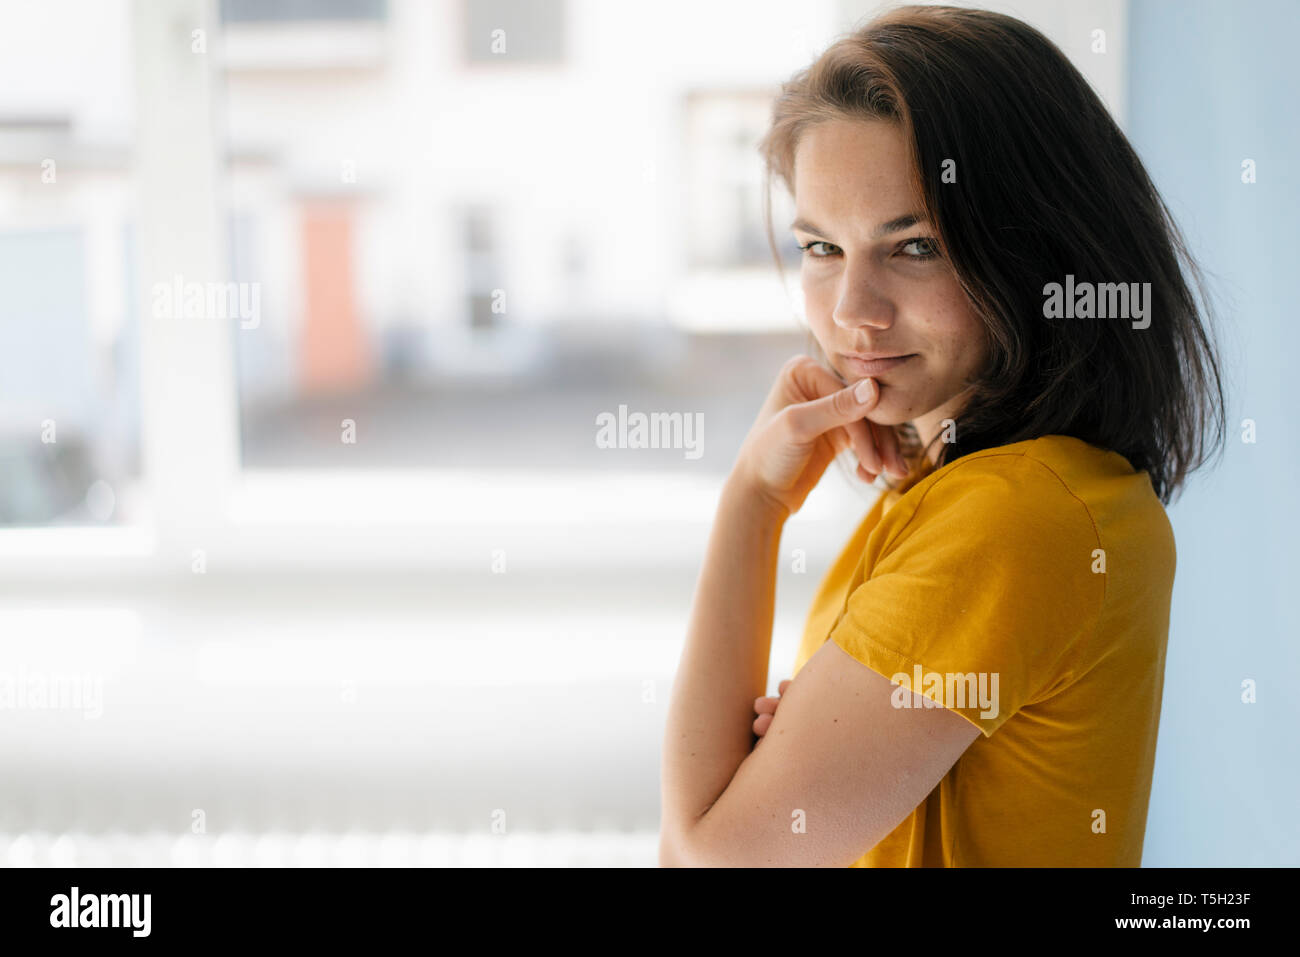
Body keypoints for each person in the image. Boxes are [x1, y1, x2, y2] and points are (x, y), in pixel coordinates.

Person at [659, 4, 1226, 867]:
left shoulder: (1015, 516)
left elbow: (704, 856)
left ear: (1040, 252)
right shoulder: (979, 491)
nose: (852, 310)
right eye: (820, 246)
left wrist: (754, 499)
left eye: (915, 245)